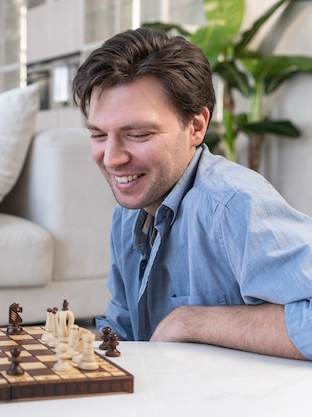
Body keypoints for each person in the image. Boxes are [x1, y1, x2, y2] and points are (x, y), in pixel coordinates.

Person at [72, 27, 312, 361]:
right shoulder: (128, 215)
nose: (111, 158)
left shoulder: (233, 204)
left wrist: (193, 321)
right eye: (99, 134)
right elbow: (124, 334)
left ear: (196, 127)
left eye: (138, 134)